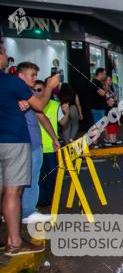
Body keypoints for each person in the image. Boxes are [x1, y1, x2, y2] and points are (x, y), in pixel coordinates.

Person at [0, 43, 59, 255]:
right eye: (4, 51)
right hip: (13, 142)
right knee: (13, 191)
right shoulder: (10, 82)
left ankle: (10, 237)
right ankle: (14, 242)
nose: (7, 56)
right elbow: (40, 106)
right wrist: (50, 86)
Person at [18, 66, 57, 225]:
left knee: (32, 179)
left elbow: (42, 116)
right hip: (21, 145)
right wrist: (48, 87)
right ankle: (25, 211)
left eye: (36, 75)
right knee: (21, 181)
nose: (34, 78)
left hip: (35, 145)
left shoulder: (29, 95)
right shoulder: (18, 94)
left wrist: (54, 137)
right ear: (21, 75)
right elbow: (41, 107)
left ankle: (26, 210)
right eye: (31, 75)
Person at [35, 79, 63, 209]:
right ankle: (41, 200)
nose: (36, 93)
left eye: (39, 90)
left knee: (52, 175)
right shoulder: (29, 105)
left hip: (51, 147)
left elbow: (63, 122)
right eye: (34, 90)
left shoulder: (54, 105)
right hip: (36, 147)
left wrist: (67, 112)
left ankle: (51, 198)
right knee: (38, 177)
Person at [89, 67, 109, 146]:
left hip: (100, 108)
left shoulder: (99, 82)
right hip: (97, 108)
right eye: (104, 74)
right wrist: (106, 89)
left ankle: (96, 141)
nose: (105, 75)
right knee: (97, 126)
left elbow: (104, 93)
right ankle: (94, 142)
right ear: (100, 73)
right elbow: (102, 93)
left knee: (100, 125)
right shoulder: (95, 83)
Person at [103, 74, 120, 146]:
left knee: (112, 124)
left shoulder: (110, 88)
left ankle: (112, 138)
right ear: (105, 81)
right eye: (109, 80)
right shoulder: (104, 89)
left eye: (111, 80)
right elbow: (106, 98)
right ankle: (108, 139)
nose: (111, 81)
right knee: (107, 124)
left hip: (111, 108)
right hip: (107, 108)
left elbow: (114, 97)